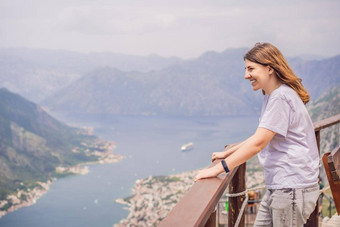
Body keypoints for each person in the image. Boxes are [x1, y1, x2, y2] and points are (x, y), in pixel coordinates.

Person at [194, 42, 320, 226]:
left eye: (251, 69)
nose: (246, 75)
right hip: (282, 186)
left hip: (291, 187)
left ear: (269, 68)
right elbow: (259, 136)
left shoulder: (280, 97)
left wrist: (216, 169)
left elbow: (258, 144)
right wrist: (228, 152)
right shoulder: (272, 95)